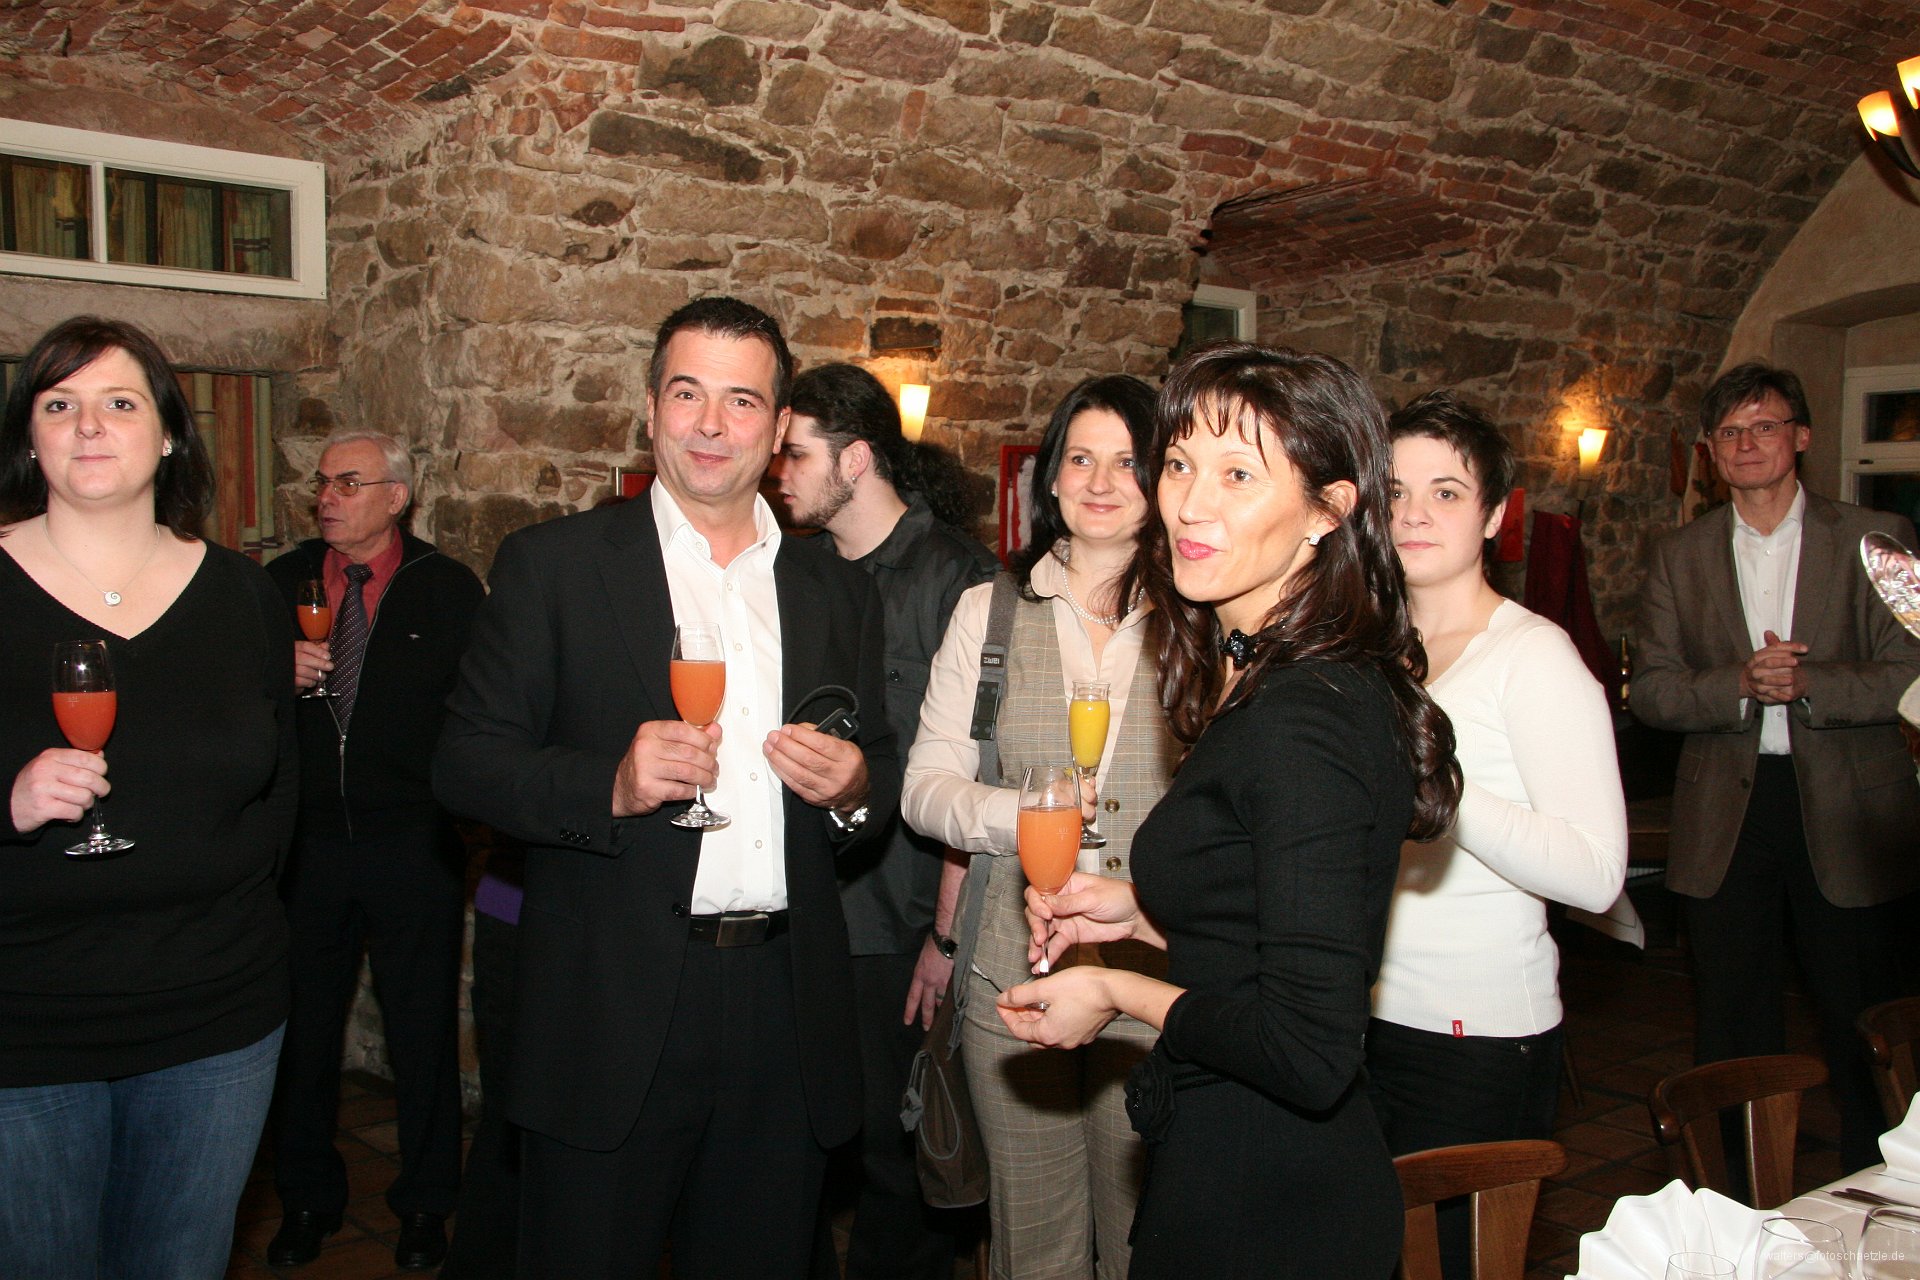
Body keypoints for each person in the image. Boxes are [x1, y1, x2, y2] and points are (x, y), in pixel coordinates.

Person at [432, 296, 897, 1278]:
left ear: (778, 427)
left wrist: (855, 786)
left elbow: (876, 774)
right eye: (688, 394)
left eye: (742, 401)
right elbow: (465, 760)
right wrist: (606, 781)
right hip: (609, 1004)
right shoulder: (555, 566)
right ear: (651, 409)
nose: (711, 424)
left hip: (784, 1007)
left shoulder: (836, 589)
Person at [1001, 343, 1461, 1280]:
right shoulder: (1273, 671)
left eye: (1238, 475)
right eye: (1178, 465)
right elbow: (1280, 925)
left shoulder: (1304, 714)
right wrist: (1143, 915)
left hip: (1272, 1201)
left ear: (1328, 512)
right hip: (1246, 1166)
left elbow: (1307, 1051)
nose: (1189, 505)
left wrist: (1116, 991)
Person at [0, 315, 297, 1275]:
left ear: (168, 433)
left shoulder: (243, 595)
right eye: (60, 405)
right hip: (25, 1019)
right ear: (30, 436)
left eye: (119, 403)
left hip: (216, 1018)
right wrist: (7, 804)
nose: (89, 426)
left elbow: (279, 794)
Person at [903, 374, 1178, 1280]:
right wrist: (1016, 814)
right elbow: (924, 788)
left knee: (1146, 1241)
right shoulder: (988, 611)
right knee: (1033, 1248)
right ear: (1051, 477)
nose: (1100, 482)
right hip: (1012, 973)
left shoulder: (1204, 620)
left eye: (1128, 462)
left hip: (1154, 979)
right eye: (1080, 459)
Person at [1635, 360, 1920, 1174]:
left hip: (1849, 807)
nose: (1747, 444)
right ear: (1710, 453)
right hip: (1728, 813)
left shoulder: (1877, 536)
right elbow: (1651, 689)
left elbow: (1912, 671)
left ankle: (1883, 1183)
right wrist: (1738, 682)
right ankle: (1732, 1194)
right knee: (1732, 1019)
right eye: (1729, 432)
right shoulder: (1679, 554)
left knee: (1859, 1013)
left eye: (1764, 426)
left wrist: (1808, 683)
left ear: (1800, 437)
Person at [1369, 391, 1628, 1279]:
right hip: (1360, 1016)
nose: (1413, 513)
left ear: (1493, 516)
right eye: (1395, 492)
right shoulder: (1372, 647)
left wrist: (1444, 789)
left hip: (1473, 1035)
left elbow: (1596, 872)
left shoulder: (1534, 656)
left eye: (1445, 492)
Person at [775, 362, 996, 1280]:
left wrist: (946, 937)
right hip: (805, 907)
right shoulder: (795, 571)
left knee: (897, 1154)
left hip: (899, 923)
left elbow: (983, 772)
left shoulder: (959, 580)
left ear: (856, 459)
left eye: (795, 453)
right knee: (793, 1138)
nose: (778, 472)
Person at [263, 428, 483, 1271]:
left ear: (397, 496)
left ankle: (426, 1204)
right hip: (306, 847)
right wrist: (269, 673)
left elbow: (479, 714)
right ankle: (305, 1200)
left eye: (348, 483)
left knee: (421, 1033)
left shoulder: (446, 588)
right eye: (322, 483)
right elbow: (226, 703)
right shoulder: (279, 582)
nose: (327, 497)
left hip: (412, 845)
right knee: (303, 1034)